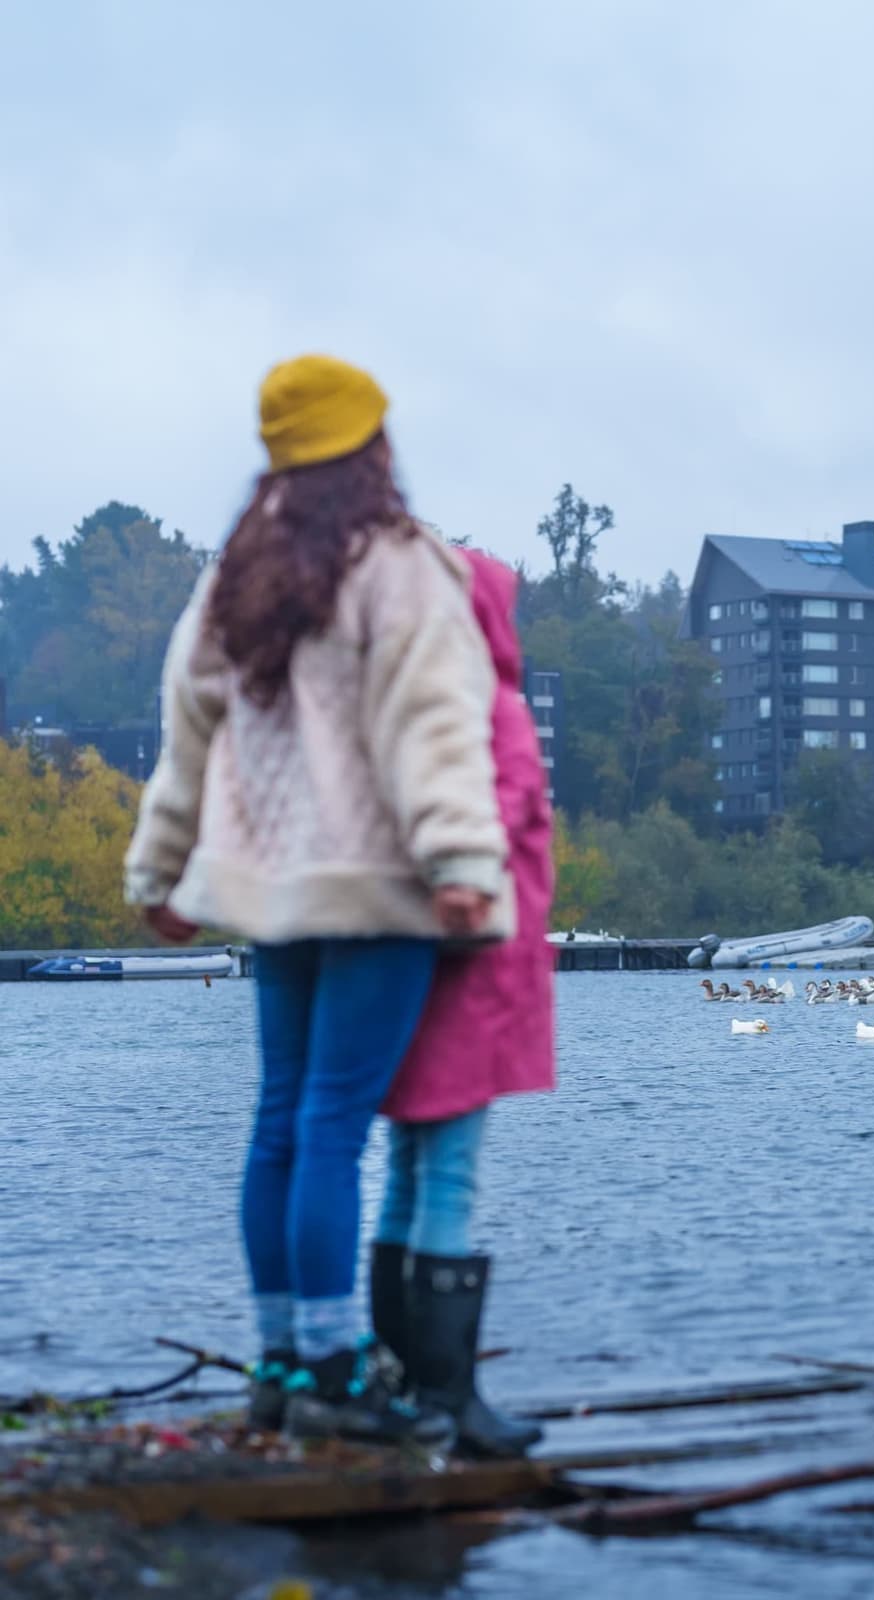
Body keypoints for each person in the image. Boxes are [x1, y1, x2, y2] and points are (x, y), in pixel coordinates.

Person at [124, 355, 510, 1445]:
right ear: (370, 444)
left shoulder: (233, 576)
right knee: (335, 1127)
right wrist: (463, 867)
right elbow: (431, 730)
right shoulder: (399, 566)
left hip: (273, 891)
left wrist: (160, 872)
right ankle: (336, 1376)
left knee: (281, 1121)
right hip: (376, 885)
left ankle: (280, 1358)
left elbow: (185, 736)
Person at [369, 549, 556, 1458]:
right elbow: (506, 816)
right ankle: (450, 1398)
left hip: (418, 969)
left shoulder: (407, 709)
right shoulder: (494, 708)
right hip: (478, 974)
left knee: (407, 1170)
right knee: (448, 1176)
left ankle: (405, 1386)